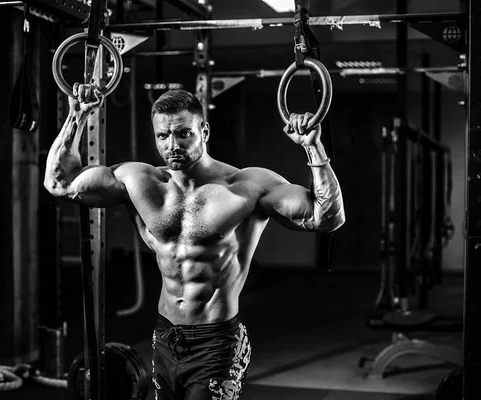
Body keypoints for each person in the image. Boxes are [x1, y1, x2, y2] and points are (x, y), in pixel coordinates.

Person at [44, 83, 345, 400]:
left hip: (216, 341)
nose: (172, 145)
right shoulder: (138, 181)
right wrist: (76, 114)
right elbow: (59, 183)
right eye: (163, 136)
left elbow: (327, 218)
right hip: (165, 335)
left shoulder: (246, 186)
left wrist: (313, 147)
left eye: (183, 133)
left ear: (204, 129)